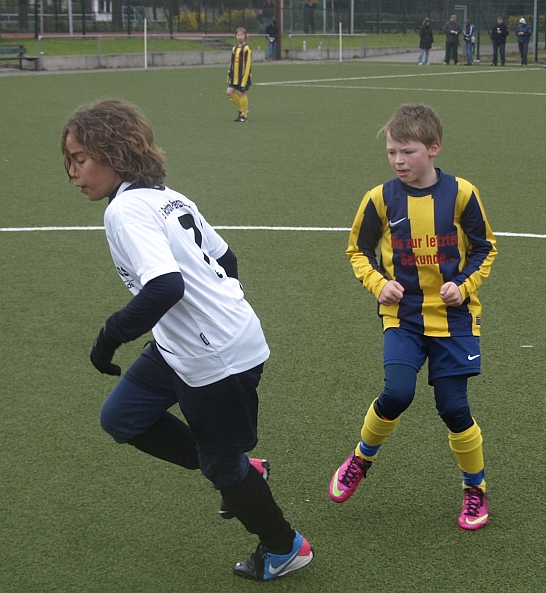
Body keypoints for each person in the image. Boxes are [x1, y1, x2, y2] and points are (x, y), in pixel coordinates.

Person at [61, 98, 314, 581]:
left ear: (114, 153)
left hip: (215, 357)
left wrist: (109, 336)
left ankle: (285, 548)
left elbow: (166, 287)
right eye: (69, 160)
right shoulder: (166, 196)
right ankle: (243, 467)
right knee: (122, 417)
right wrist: (217, 309)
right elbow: (227, 260)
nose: (73, 172)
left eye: (81, 158)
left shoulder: (127, 210)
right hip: (187, 345)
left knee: (223, 469)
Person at [329, 104, 498, 531]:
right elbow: (358, 251)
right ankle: (361, 458)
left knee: (454, 408)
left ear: (433, 148)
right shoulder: (379, 199)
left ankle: (474, 488)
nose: (398, 161)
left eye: (407, 152)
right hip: (402, 318)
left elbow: (485, 249)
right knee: (397, 393)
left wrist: (462, 285)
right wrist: (378, 283)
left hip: (454, 321)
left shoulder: (462, 193)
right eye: (392, 152)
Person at [227, 27, 252, 122]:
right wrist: (229, 75)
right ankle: (242, 109)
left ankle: (244, 115)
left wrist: (245, 78)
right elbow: (232, 63)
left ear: (245, 36)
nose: (240, 37)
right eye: (238, 35)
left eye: (242, 35)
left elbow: (248, 65)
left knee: (242, 93)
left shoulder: (246, 49)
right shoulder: (234, 48)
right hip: (234, 76)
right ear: (235, 36)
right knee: (229, 92)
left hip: (243, 77)